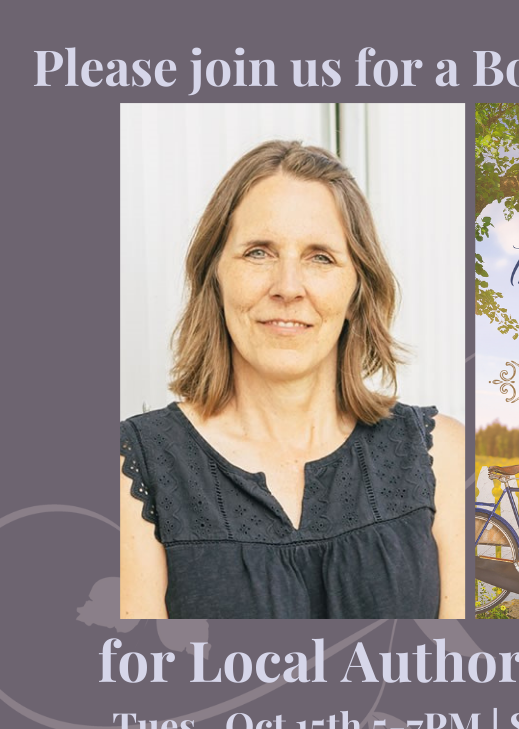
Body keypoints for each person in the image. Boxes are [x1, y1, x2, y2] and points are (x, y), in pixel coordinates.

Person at [119, 141, 464, 619]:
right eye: (258, 252)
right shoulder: (134, 466)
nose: (287, 287)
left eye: (320, 257)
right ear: (214, 273)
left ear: (358, 287)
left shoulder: (441, 456)